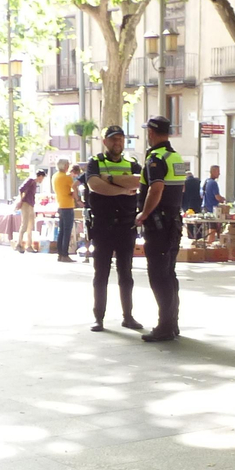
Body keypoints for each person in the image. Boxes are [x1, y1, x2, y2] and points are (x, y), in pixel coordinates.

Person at [85, 127, 143, 331]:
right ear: (105, 142)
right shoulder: (95, 162)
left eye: (120, 139)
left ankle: (128, 316)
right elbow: (94, 185)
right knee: (100, 273)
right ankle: (98, 318)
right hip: (102, 225)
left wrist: (108, 180)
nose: (117, 143)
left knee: (125, 273)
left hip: (126, 226)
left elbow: (138, 182)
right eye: (113, 139)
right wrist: (123, 189)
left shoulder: (133, 164)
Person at [138, 115, 187, 342]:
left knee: (158, 275)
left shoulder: (156, 158)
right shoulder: (175, 157)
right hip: (174, 223)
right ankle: (172, 323)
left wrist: (144, 213)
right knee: (169, 274)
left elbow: (156, 188)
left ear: (151, 133)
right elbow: (180, 188)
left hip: (159, 225)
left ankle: (165, 326)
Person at [52, 158, 79, 263]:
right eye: (67, 165)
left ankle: (60, 253)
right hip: (67, 205)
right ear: (65, 166)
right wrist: (77, 199)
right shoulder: (66, 177)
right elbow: (74, 188)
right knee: (67, 231)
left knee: (61, 230)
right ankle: (65, 254)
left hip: (60, 204)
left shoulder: (55, 176)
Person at [17, 171, 39, 253]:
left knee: (30, 225)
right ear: (40, 176)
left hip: (30, 204)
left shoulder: (34, 182)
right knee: (25, 224)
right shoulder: (31, 180)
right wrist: (20, 200)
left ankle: (29, 245)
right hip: (26, 204)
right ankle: (19, 244)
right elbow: (21, 189)